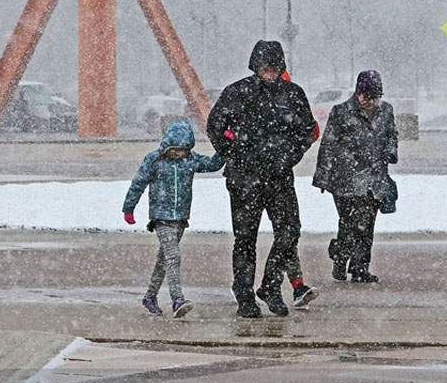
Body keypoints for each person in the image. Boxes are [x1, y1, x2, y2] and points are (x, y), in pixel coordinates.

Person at [207, 40, 319, 318]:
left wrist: (291, 155)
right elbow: (215, 127)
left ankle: (270, 285)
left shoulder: (293, 94)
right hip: (244, 180)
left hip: (280, 177)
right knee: (245, 239)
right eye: (264, 67)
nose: (269, 71)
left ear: (281, 67)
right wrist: (235, 154)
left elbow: (307, 131)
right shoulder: (237, 92)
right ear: (255, 66)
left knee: (290, 231)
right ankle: (244, 295)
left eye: (274, 66)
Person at [122, 120, 225, 318]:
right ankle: (178, 299)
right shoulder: (154, 160)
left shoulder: (191, 160)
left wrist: (224, 145)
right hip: (161, 218)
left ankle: (149, 297)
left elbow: (213, 164)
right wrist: (129, 208)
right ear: (167, 145)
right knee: (173, 256)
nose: (179, 153)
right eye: (175, 149)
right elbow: (138, 183)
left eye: (183, 150)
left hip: (180, 218)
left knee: (164, 260)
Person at [313, 70, 398, 283]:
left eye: (375, 97)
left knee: (367, 224)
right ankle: (340, 257)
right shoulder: (341, 112)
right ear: (358, 93)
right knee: (350, 223)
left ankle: (360, 268)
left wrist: (391, 151)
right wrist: (323, 176)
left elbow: (391, 135)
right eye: (366, 96)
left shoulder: (386, 111)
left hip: (374, 179)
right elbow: (328, 145)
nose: (370, 102)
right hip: (345, 178)